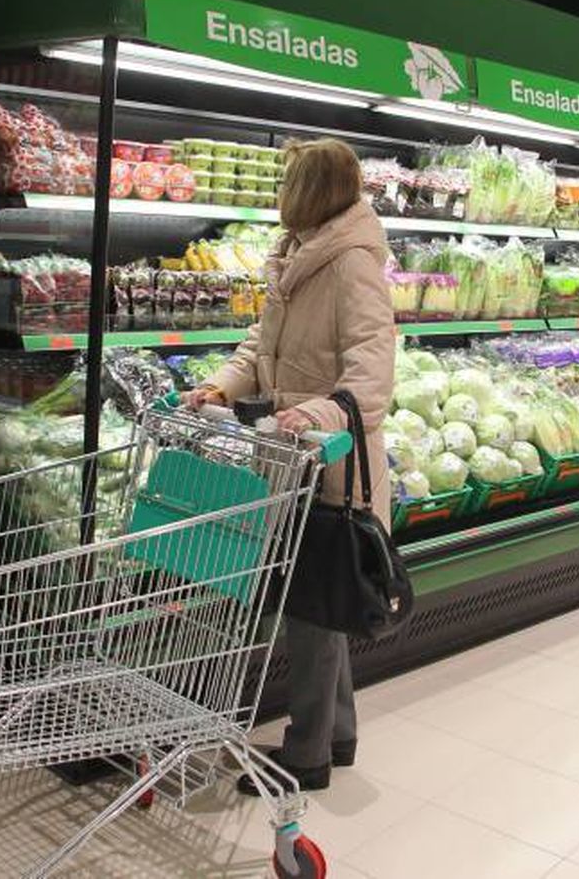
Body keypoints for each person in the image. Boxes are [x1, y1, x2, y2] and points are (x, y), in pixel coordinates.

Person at [186, 138, 394, 793]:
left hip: (327, 463)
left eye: (287, 180)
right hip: (286, 451)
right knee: (315, 603)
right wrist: (223, 385)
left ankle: (307, 756)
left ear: (307, 190)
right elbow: (260, 344)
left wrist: (316, 415)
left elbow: (371, 377)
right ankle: (337, 733)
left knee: (310, 609)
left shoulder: (351, 265)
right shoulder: (296, 254)